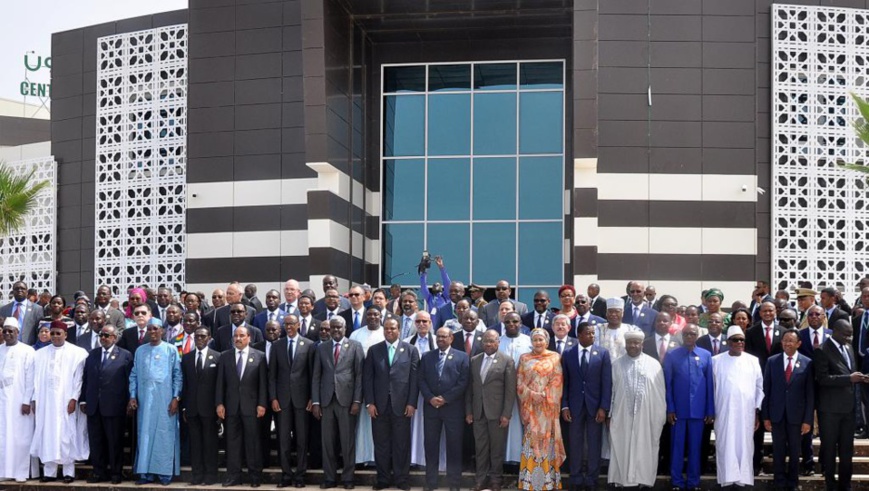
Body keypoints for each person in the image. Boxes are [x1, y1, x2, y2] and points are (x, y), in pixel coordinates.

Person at [364, 317, 419, 491]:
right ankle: (383, 478)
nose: (389, 331)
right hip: (379, 406)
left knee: (401, 444)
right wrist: (370, 403)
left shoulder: (410, 350)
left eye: (393, 328)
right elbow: (368, 379)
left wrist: (412, 403)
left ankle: (402, 479)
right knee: (381, 444)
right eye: (386, 328)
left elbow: (414, 380)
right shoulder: (374, 350)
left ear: (399, 330)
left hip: (402, 405)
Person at [30, 320, 89, 483]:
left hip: (66, 401)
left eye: (58, 333)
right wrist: (34, 399)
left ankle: (68, 472)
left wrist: (74, 398)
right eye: (52, 333)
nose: (55, 336)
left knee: (66, 434)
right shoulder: (40, 354)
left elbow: (78, 379)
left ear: (65, 334)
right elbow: (35, 380)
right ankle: (49, 472)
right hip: (46, 403)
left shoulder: (77, 353)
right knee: (48, 434)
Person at [607, 330, 666, 489]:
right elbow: (611, 391)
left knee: (645, 446)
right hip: (622, 416)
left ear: (642, 344)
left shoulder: (654, 364)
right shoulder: (617, 364)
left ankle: (643, 479)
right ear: (625, 344)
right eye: (630, 342)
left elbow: (660, 393)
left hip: (646, 417)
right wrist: (610, 414)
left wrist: (659, 416)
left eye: (636, 342)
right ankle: (622, 480)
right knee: (622, 445)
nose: (633, 345)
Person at [127, 318, 182, 485]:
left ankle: (164, 474)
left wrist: (176, 397)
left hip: (165, 401)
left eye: (155, 329)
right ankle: (145, 474)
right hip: (145, 402)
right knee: (145, 435)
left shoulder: (171, 350)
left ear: (162, 331)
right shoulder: (140, 351)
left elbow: (177, 375)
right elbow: (134, 375)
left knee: (164, 435)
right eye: (149, 329)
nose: (152, 332)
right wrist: (132, 396)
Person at [814, 319, 868, 491]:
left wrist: (860, 377)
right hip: (830, 410)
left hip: (849, 410)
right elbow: (822, 379)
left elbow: (850, 372)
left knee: (847, 451)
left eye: (851, 334)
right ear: (835, 331)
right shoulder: (822, 350)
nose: (849, 338)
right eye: (845, 334)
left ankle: (845, 485)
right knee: (829, 450)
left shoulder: (849, 348)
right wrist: (848, 379)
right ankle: (830, 484)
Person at [312, 316, 365, 489]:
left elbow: (359, 376)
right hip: (327, 401)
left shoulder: (355, 346)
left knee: (347, 441)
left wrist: (357, 400)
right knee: (327, 442)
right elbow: (316, 377)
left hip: (347, 401)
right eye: (332, 327)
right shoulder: (322, 347)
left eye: (338, 327)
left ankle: (348, 478)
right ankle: (329, 478)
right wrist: (316, 402)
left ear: (345, 328)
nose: (335, 330)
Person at [712, 326, 764, 489]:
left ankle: (743, 478)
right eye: (735, 339)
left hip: (746, 412)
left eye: (742, 340)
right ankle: (727, 477)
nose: (739, 342)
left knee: (745, 444)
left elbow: (759, 387)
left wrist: (756, 411)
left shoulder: (753, 360)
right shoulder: (716, 361)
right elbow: (712, 387)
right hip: (724, 411)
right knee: (725, 443)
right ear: (728, 342)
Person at [761, 328, 814, 491]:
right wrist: (766, 416)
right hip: (777, 414)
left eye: (791, 341)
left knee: (794, 449)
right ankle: (779, 481)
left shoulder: (807, 362)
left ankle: (793, 481)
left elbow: (810, 394)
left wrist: (807, 420)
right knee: (778, 450)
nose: (787, 343)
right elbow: (766, 390)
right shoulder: (772, 361)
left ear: (798, 343)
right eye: (784, 340)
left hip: (796, 416)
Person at [561, 321, 611, 491]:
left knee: (594, 443)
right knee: (575, 443)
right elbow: (565, 382)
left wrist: (604, 407)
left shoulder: (603, 353)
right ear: (579, 335)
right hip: (574, 407)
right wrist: (565, 406)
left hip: (595, 407)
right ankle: (575, 478)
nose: (592, 336)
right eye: (588, 333)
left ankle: (591, 479)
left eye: (593, 333)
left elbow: (607, 382)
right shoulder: (568, 354)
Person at [663, 324, 714, 491]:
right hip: (678, 411)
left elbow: (710, 385)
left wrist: (710, 410)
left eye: (692, 334)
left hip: (698, 412)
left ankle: (693, 482)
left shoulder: (706, 355)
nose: (689, 337)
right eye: (686, 334)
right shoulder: (672, 355)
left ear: (697, 335)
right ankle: (677, 481)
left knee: (695, 448)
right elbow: (668, 384)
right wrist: (670, 408)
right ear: (681, 335)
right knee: (677, 447)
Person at [216, 326, 268, 488]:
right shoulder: (225, 356)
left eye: (242, 336)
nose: (238, 338)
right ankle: (233, 476)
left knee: (252, 442)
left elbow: (263, 384)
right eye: (236, 336)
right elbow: (220, 383)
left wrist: (262, 403)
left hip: (251, 407)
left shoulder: (259, 356)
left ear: (249, 338)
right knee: (232, 443)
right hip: (231, 407)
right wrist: (219, 403)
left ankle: (254, 476)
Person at [80, 324, 133, 484]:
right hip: (94, 406)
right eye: (101, 335)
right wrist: (84, 399)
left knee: (114, 441)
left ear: (115, 338)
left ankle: (116, 473)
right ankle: (99, 472)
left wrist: (130, 401)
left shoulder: (125, 355)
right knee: (96, 442)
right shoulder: (92, 355)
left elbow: (130, 381)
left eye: (107, 335)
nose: (103, 338)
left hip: (114, 406)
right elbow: (86, 379)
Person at [418, 327, 470, 491]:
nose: (440, 339)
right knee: (431, 446)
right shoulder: (427, 356)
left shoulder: (462, 357)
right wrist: (430, 398)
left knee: (454, 446)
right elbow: (421, 379)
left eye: (444, 337)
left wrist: (445, 398)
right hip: (431, 408)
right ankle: (430, 482)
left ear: (451, 338)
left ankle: (454, 483)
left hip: (453, 409)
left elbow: (463, 382)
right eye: (438, 337)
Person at [465, 329, 516, 491]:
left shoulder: (507, 361)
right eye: (486, 341)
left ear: (498, 342)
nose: (488, 344)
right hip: (478, 412)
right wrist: (469, 411)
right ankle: (480, 480)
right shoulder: (474, 360)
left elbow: (510, 390)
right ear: (482, 342)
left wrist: (506, 414)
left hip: (497, 413)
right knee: (480, 449)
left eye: (492, 341)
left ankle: (496, 480)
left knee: (496, 449)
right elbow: (470, 388)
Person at [270, 314, 316, 488]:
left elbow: (313, 375)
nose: (288, 327)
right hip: (282, 400)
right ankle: (286, 474)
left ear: (298, 325)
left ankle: (300, 475)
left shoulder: (309, 345)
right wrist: (273, 397)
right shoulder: (277, 345)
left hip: (302, 400)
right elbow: (272, 375)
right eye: (286, 324)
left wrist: (313, 397)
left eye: (291, 324)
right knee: (283, 440)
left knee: (302, 440)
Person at [517, 328, 565, 491]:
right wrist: (531, 394)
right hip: (530, 409)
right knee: (531, 444)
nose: (538, 343)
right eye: (535, 340)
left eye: (540, 339)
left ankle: (548, 483)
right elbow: (519, 382)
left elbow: (557, 381)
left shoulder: (554, 357)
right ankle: (529, 483)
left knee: (546, 444)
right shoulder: (524, 358)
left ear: (547, 341)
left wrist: (543, 395)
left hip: (547, 410)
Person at [0, 318, 38, 482]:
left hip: (20, 401)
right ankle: (4, 472)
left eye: (11, 331)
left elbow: (31, 379)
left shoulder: (28, 351)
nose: (7, 334)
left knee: (21, 437)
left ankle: (21, 473)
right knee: (3, 436)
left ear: (18, 332)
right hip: (2, 400)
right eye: (5, 330)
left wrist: (26, 400)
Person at [181, 327, 220, 486]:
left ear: (209, 337)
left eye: (203, 336)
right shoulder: (187, 357)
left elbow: (219, 385)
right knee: (195, 444)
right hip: (191, 408)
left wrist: (219, 405)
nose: (199, 339)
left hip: (210, 409)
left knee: (210, 443)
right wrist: (184, 406)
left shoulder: (217, 357)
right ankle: (197, 475)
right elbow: (185, 384)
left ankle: (210, 475)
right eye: (197, 336)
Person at [350, 307, 386, 466]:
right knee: (363, 424)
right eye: (369, 314)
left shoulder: (387, 331)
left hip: (381, 387)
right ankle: (362, 457)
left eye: (376, 314)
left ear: (381, 316)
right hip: (360, 384)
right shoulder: (356, 334)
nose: (372, 317)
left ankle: (377, 458)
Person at [500, 312, 532, 465]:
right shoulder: (498, 341)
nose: (511, 324)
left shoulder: (529, 341)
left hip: (524, 391)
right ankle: (504, 460)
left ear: (521, 323)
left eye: (515, 321)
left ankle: (522, 460)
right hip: (502, 391)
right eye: (508, 322)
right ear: (503, 323)